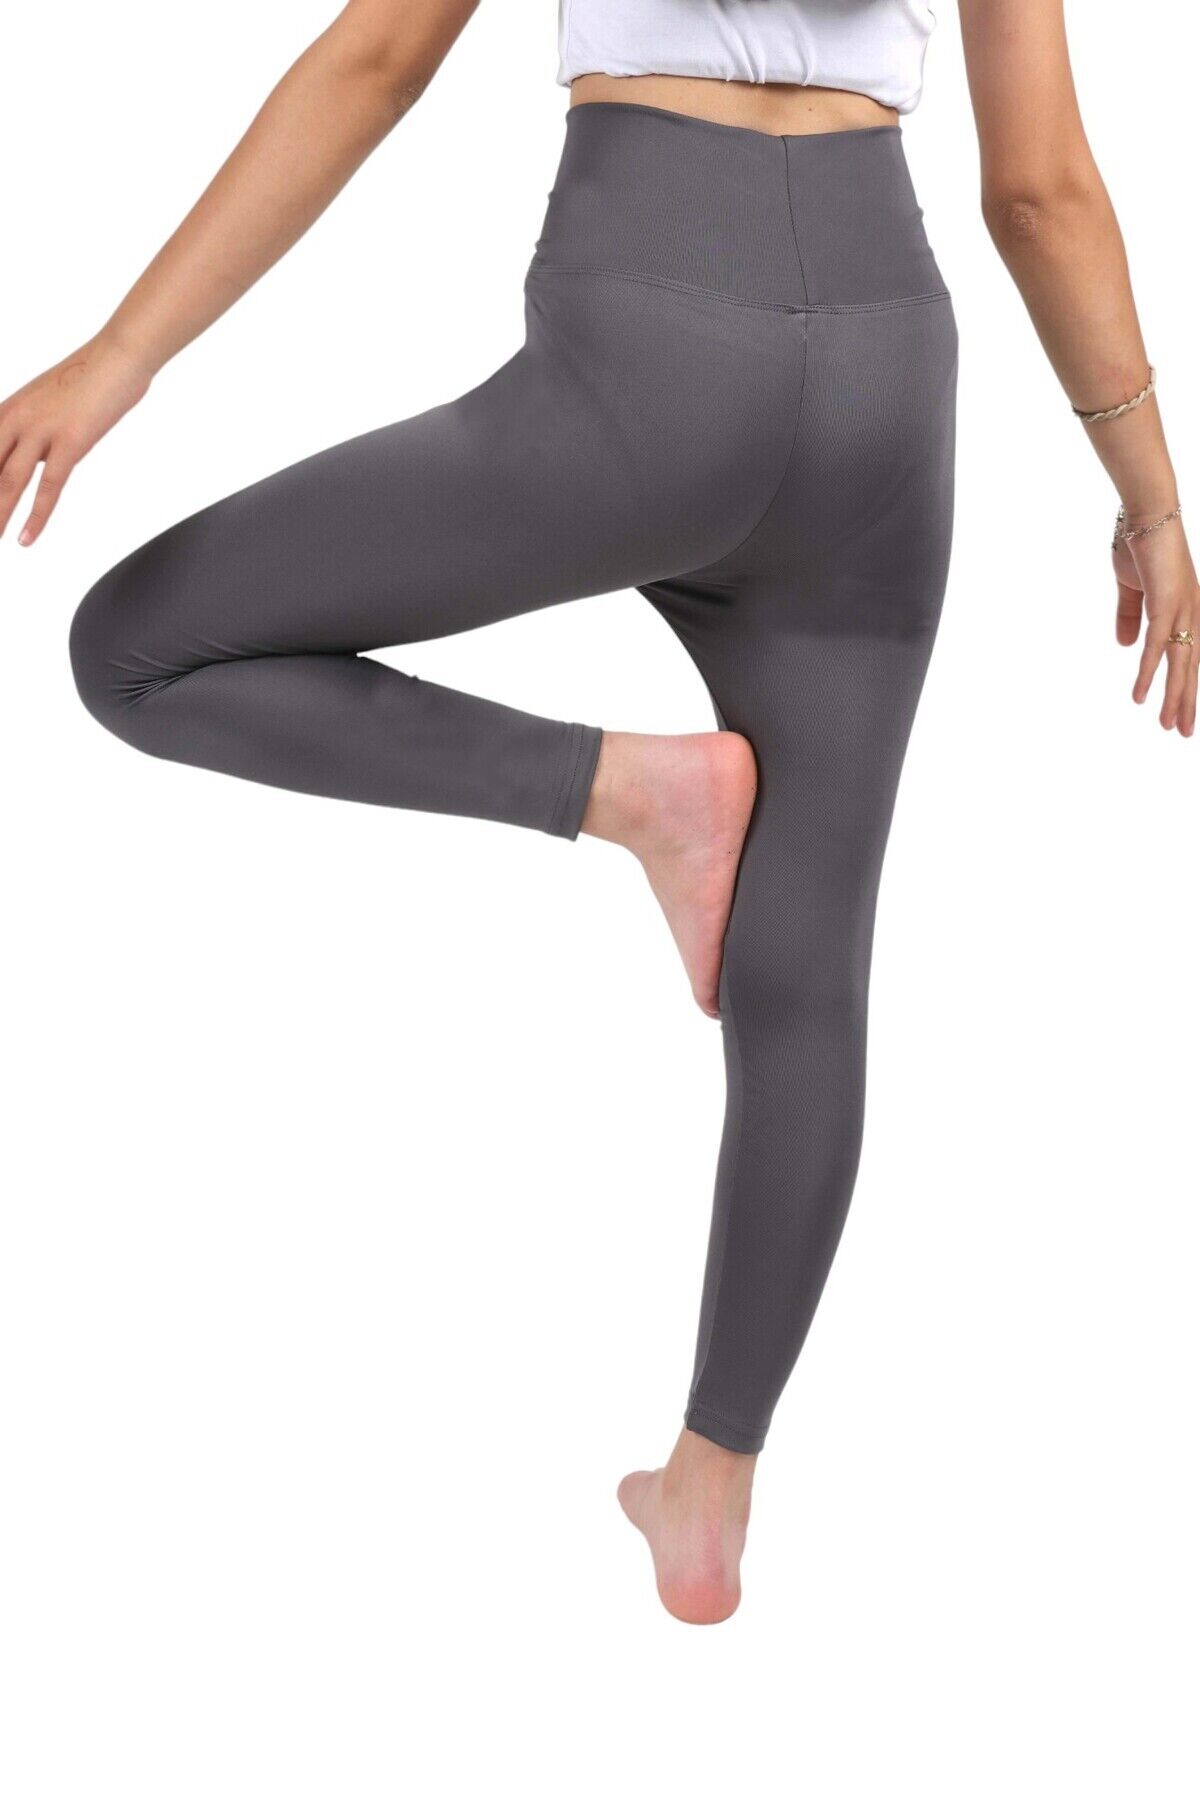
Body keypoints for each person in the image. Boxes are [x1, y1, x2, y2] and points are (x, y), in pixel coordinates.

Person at [1, 0, 1194, 1626]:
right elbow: (1040, 190)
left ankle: (628, 792)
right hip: (887, 381)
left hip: (647, 353)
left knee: (136, 650)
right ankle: (713, 1488)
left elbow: (378, 61)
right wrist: (1152, 501)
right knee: (805, 975)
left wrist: (120, 357)